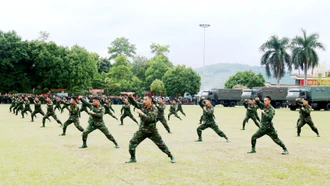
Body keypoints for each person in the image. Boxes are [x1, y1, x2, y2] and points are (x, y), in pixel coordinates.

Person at [126, 94, 176, 163]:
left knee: (161, 145)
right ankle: (133, 158)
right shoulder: (142, 105)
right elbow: (134, 103)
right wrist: (130, 97)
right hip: (142, 131)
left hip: (152, 131)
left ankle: (171, 156)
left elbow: (150, 119)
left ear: (150, 100)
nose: (144, 101)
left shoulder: (155, 109)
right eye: (144, 99)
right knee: (132, 143)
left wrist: (142, 113)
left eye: (146, 99)